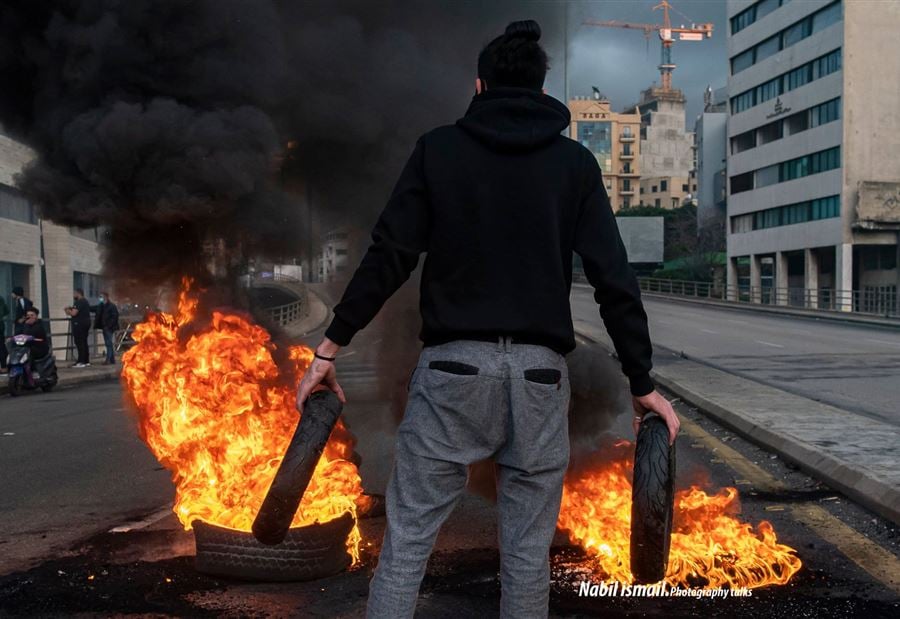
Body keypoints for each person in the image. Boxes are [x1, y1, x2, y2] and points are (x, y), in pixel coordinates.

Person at [295, 19, 680, 618]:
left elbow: (390, 256)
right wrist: (642, 382)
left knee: (408, 544)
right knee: (526, 558)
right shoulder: (575, 164)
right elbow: (614, 280)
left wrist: (329, 347)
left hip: (452, 372)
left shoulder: (438, 150)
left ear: (478, 85)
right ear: (542, 88)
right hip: (540, 378)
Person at [64, 288, 92, 367]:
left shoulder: (79, 302)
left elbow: (74, 313)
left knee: (79, 342)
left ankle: (81, 361)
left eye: (74, 293)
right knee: (84, 342)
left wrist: (67, 310)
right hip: (85, 323)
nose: (73, 295)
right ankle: (86, 361)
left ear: (78, 293)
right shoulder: (85, 301)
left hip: (79, 324)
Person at [93, 291, 119, 365]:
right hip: (104, 327)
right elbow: (93, 308)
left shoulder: (112, 306)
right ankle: (112, 360)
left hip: (109, 328)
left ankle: (108, 360)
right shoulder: (101, 306)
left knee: (108, 343)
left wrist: (108, 326)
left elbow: (115, 317)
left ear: (106, 297)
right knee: (109, 343)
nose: (100, 298)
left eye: (101, 297)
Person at [0, 294, 8, 374]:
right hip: (1, 325)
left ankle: (3, 367)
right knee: (2, 345)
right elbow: (6, 311)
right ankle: (4, 366)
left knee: (1, 347)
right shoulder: (1, 298)